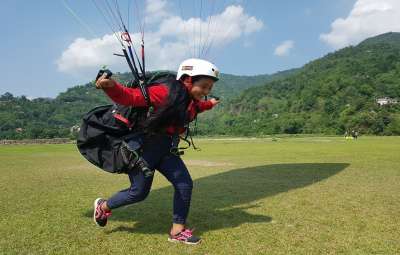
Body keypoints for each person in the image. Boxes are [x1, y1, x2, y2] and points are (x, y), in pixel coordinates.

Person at [93, 58, 220, 245]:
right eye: (204, 86)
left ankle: (177, 231)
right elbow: (131, 97)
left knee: (184, 184)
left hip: (167, 149)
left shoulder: (190, 101)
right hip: (144, 149)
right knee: (138, 193)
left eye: (210, 88)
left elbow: (195, 108)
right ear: (187, 80)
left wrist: (210, 103)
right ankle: (103, 207)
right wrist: (110, 86)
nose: (206, 92)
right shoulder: (165, 92)